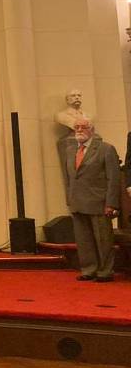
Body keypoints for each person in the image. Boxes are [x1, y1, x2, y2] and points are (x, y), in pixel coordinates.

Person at [64, 118, 119, 282]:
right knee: (83, 240)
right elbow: (69, 177)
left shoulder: (105, 149)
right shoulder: (70, 150)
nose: (79, 130)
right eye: (76, 127)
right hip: (77, 201)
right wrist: (69, 198)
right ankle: (89, 269)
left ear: (92, 130)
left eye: (83, 127)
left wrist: (111, 203)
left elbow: (113, 178)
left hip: (99, 202)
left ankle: (105, 271)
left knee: (103, 239)